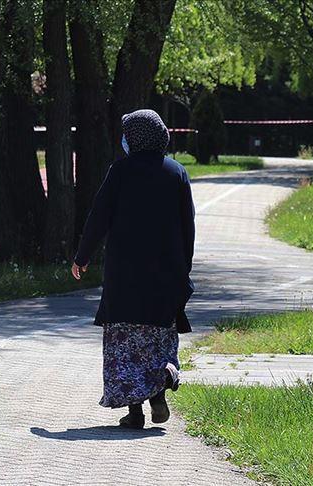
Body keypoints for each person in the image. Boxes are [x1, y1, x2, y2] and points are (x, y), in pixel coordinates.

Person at [71, 109, 195, 429]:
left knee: (126, 345)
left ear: (135, 137)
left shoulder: (120, 171)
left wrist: (82, 257)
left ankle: (135, 411)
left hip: (125, 279)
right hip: (165, 280)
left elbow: (98, 218)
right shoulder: (177, 173)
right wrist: (184, 269)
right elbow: (187, 227)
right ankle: (162, 382)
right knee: (158, 339)